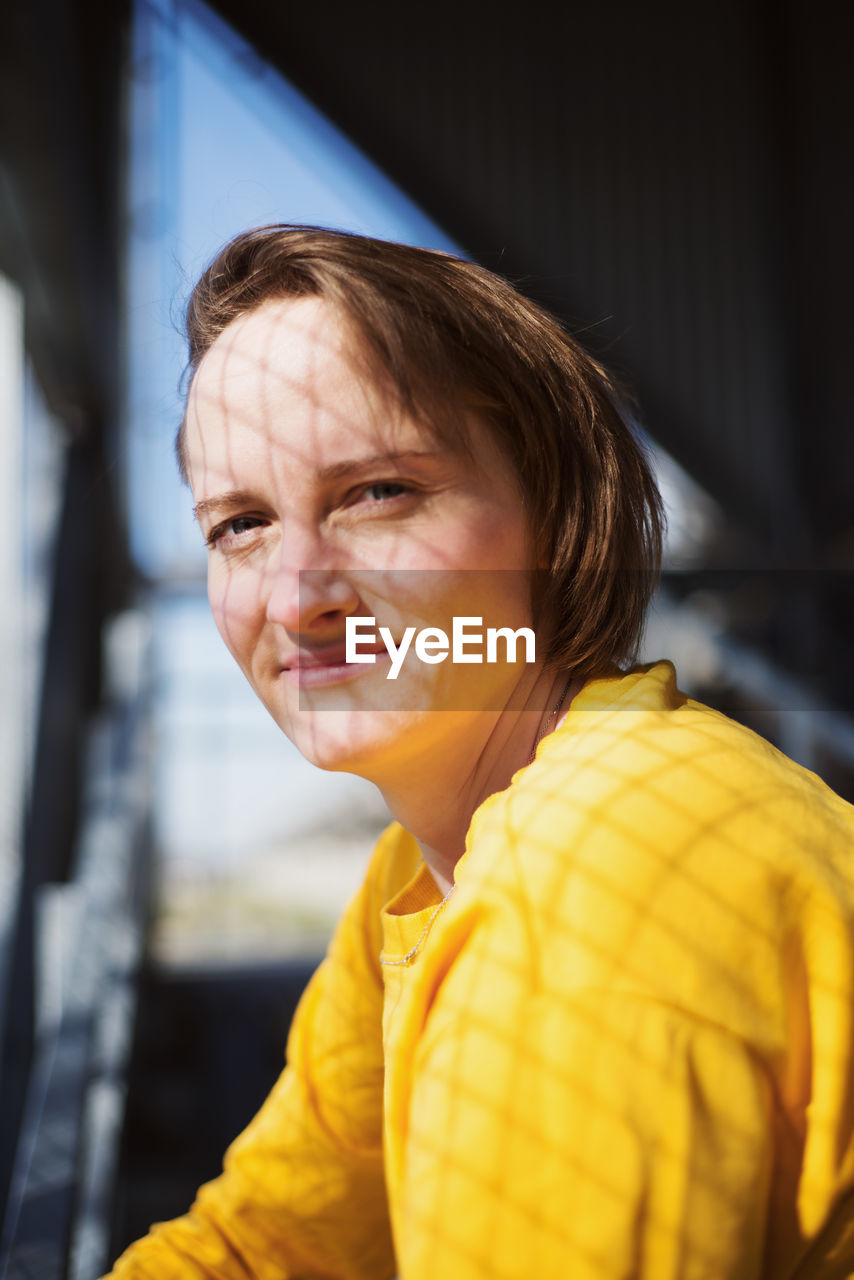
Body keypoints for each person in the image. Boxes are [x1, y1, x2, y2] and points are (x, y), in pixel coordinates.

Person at [106, 226, 854, 1279]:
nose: (295, 595)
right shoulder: (415, 877)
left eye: (376, 491)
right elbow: (271, 1240)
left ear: (553, 513)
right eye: (239, 524)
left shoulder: (599, 872)